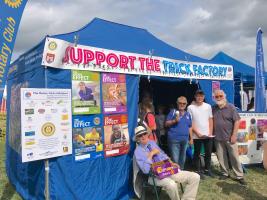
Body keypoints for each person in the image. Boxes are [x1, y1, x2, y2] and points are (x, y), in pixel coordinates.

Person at [134, 125, 200, 200]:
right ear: (137, 139)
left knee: (195, 177)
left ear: (147, 134)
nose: (143, 136)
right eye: (140, 135)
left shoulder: (152, 143)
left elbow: (163, 155)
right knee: (171, 184)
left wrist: (171, 162)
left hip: (167, 169)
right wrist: (151, 154)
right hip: (153, 176)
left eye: (144, 134)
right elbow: (145, 170)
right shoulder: (138, 152)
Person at [212, 90, 246, 185]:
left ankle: (239, 176)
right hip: (218, 138)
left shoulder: (231, 107)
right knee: (221, 157)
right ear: (214, 98)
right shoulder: (213, 108)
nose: (219, 98)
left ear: (224, 96)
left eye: (220, 96)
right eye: (216, 96)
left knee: (234, 157)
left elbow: (237, 121)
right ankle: (225, 173)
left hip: (230, 137)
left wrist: (234, 135)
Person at [187, 90, 214, 178]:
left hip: (207, 135)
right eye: (198, 96)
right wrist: (197, 133)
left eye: (201, 96)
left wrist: (210, 132)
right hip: (196, 135)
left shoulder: (208, 106)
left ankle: (207, 169)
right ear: (195, 96)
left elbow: (210, 119)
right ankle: (197, 170)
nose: (199, 97)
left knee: (208, 153)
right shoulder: (190, 107)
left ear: (204, 97)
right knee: (197, 153)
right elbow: (190, 122)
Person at [165, 96, 193, 169]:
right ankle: (176, 175)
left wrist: (191, 138)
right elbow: (166, 124)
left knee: (183, 159)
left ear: (186, 104)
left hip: (185, 139)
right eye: (180, 103)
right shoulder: (173, 112)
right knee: (175, 159)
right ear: (177, 103)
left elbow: (190, 126)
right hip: (174, 139)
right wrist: (174, 121)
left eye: (184, 103)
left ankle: (181, 173)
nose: (182, 105)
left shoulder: (188, 114)